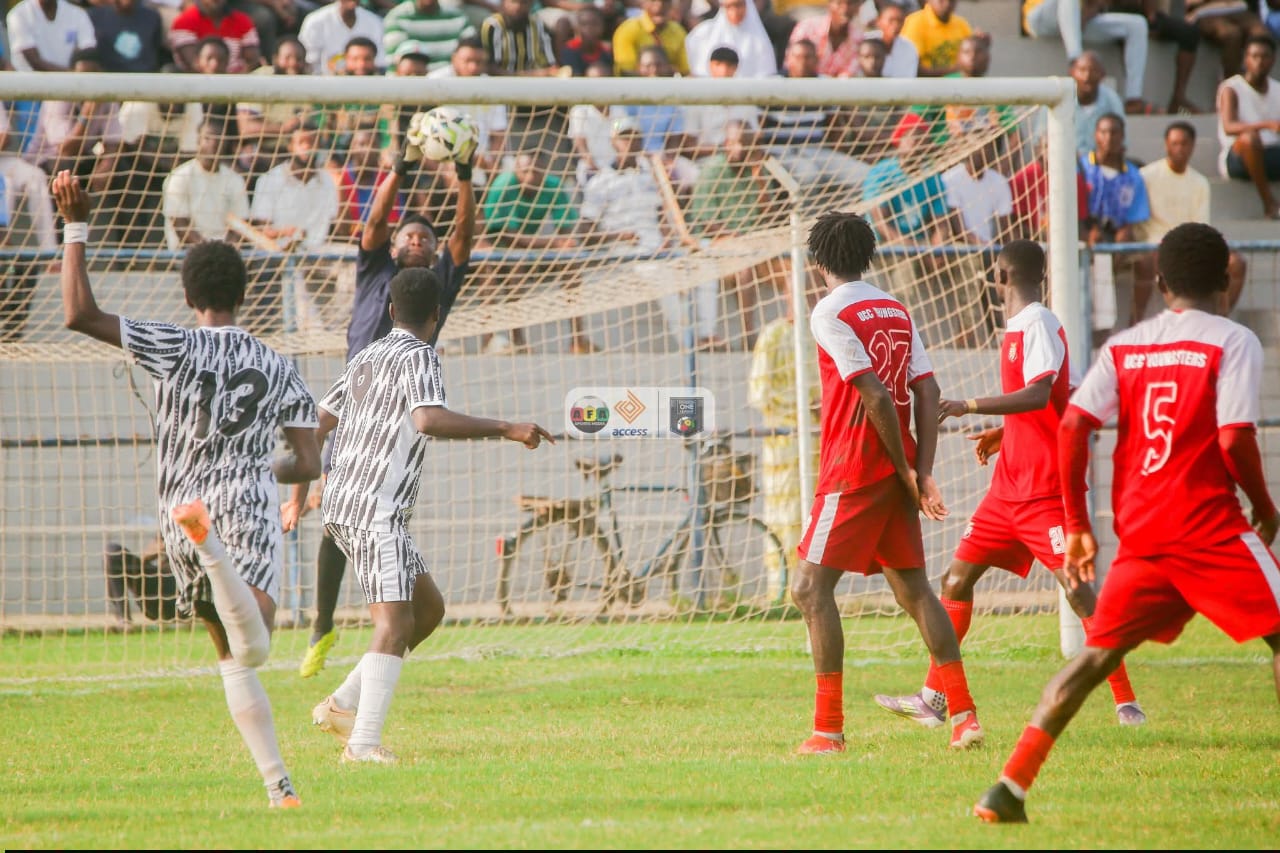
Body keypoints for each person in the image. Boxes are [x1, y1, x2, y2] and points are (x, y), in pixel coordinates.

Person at [973, 221, 1280, 824]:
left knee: (1094, 659)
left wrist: (1080, 525)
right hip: (1211, 529)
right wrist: (1265, 509)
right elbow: (1235, 436)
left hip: (1142, 537)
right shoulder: (1234, 340)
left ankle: (1008, 786)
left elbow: (1073, 425)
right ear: (1225, 281)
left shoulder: (1124, 346)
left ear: (1159, 281)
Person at [51, 170, 321, 809]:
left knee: (230, 655)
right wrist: (260, 464)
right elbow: (307, 461)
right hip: (244, 505)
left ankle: (277, 784)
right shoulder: (277, 363)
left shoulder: (171, 342)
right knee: (254, 646)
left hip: (177, 512)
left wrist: (76, 225)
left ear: (188, 291)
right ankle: (214, 550)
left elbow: (78, 314)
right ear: (246, 292)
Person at [872, 239, 1147, 730]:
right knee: (956, 579)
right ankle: (936, 698)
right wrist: (1007, 432)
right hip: (1006, 493)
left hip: (1046, 491)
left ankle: (1126, 702)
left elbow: (1041, 392)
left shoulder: (1038, 321)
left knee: (1078, 591)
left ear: (999, 275)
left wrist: (969, 405)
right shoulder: (1020, 327)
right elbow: (1051, 398)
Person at [286, 267, 554, 763]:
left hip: (345, 504)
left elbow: (316, 426)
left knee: (427, 610)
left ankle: (342, 703)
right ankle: (362, 746)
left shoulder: (366, 355)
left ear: (390, 311)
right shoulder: (420, 355)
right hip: (376, 507)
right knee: (393, 622)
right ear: (437, 315)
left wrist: (299, 495)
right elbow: (427, 419)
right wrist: (507, 427)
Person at [290, 110, 477, 679]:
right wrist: (399, 166)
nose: (416, 240)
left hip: (399, 403)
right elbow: (371, 225)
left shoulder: (435, 283)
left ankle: (370, 648)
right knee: (339, 510)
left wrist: (464, 175)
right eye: (408, 235)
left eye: (425, 236)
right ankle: (323, 624)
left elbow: (465, 237)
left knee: (357, 509)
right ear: (395, 247)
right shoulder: (376, 268)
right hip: (355, 392)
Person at [791, 210, 982, 755]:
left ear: (818, 262)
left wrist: (903, 469)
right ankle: (964, 717)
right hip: (897, 469)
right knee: (914, 590)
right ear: (867, 255)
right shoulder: (895, 307)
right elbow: (928, 390)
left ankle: (827, 731)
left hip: (854, 468)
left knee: (808, 588)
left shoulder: (829, 310)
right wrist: (920, 471)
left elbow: (874, 393)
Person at [1135, 121, 1247, 322]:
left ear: (1193, 145)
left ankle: (1219, 321)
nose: (1179, 148)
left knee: (1236, 263)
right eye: (1174, 143)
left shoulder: (1200, 182)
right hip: (1153, 245)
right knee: (1145, 261)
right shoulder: (1146, 176)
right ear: (1166, 145)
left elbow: (1200, 225)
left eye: (1184, 143)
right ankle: (1134, 324)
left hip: (1188, 245)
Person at [1216, 33, 1280, 220]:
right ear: (1246, 59)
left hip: (1272, 153)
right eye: (1254, 56)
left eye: (1265, 56)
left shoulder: (1277, 89)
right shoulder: (1231, 88)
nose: (1259, 62)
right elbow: (1229, 126)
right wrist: (1266, 125)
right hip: (1238, 157)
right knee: (1250, 138)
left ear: (1273, 59)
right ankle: (1269, 204)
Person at [686, 0, 778, 77]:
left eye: (738, 6)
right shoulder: (703, 34)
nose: (734, 11)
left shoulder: (759, 41)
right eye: (729, 7)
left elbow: (766, 75)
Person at [104, 535, 181, 625]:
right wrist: (166, 546)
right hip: (162, 586)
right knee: (112, 551)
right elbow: (147, 555)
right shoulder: (169, 528)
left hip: (186, 591)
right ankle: (124, 621)